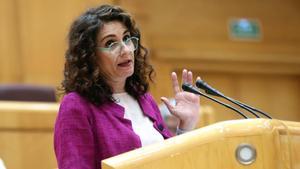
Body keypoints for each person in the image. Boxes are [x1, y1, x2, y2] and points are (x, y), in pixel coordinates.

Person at [54, 4, 200, 169]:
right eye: (111, 43)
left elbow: (170, 161)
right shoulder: (76, 106)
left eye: (126, 38)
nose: (125, 49)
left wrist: (186, 126)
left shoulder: (144, 99)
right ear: (90, 56)